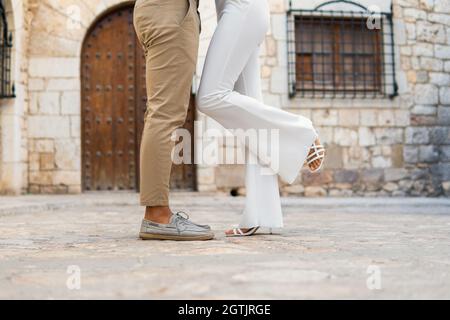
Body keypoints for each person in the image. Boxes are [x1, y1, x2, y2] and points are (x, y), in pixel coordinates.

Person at [196, 0, 325, 237]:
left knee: (209, 97)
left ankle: (301, 132)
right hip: (238, 10)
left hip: (241, 8)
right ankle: (259, 214)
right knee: (252, 125)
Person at [133, 0, 214, 241]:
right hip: (171, 10)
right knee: (166, 114)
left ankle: (157, 212)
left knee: (162, 112)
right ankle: (157, 215)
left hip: (164, 10)